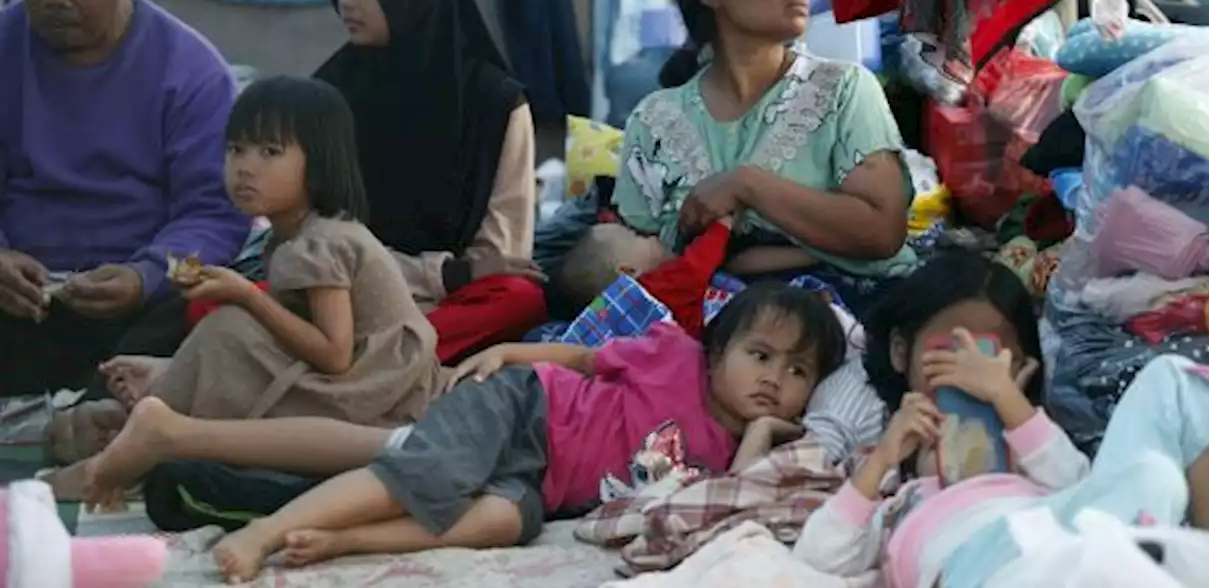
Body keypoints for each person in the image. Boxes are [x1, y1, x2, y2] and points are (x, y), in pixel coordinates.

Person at [85, 283, 847, 581]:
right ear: (717, 351)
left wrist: (764, 433)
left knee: (496, 524)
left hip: (541, 485)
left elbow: (735, 500)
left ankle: (341, 542)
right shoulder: (671, 353)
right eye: (759, 355)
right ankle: (268, 530)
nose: (774, 377)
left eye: (798, 370)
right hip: (523, 409)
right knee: (423, 474)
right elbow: (582, 354)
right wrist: (513, 350)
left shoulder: (749, 450)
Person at [48, 78, 445, 493]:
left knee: (230, 328)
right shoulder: (292, 237)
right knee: (232, 331)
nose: (245, 167)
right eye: (236, 149)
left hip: (383, 392)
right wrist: (168, 365)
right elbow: (287, 339)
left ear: (320, 163)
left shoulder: (320, 242)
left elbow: (334, 355)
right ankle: (149, 418)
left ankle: (142, 443)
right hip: (367, 379)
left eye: (270, 152)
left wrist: (244, 295)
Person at [792, 252, 1209, 588]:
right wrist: (884, 458)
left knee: (1167, 416)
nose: (969, 370)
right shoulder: (896, 500)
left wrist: (1012, 404)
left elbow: (1080, 484)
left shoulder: (1030, 456)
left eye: (989, 353)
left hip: (1063, 532)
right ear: (900, 351)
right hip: (981, 565)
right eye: (950, 352)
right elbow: (819, 559)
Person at [0, 0, 250, 398]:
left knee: (219, 316)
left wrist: (147, 276)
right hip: (15, 298)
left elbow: (216, 216)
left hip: (143, 307)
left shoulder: (192, 72)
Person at [612, 0, 915, 320]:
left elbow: (882, 232)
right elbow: (637, 263)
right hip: (704, 333)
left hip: (843, 321)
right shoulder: (654, 122)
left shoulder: (842, 90)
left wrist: (747, 185)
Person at [314, 0, 544, 364]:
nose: (346, 0)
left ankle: (354, 362)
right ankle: (385, 360)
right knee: (216, 303)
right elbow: (313, 244)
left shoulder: (494, 105)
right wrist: (440, 273)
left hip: (445, 306)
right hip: (339, 298)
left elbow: (499, 255)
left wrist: (445, 281)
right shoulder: (328, 94)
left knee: (519, 298)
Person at [557, 217, 733, 338]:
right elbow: (700, 259)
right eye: (637, 236)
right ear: (628, 271)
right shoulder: (660, 285)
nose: (651, 235)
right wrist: (723, 224)